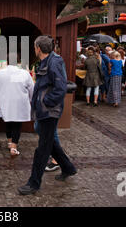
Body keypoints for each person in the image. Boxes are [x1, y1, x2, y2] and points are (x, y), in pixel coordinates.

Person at [18, 36, 76, 196]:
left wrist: (46, 101)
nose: (34, 49)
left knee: (43, 148)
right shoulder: (47, 61)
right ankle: (68, 168)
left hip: (49, 111)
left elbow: (60, 87)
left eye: (34, 47)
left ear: (38, 48)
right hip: (44, 110)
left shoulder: (55, 61)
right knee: (49, 143)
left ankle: (33, 183)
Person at [0, 53, 34, 156]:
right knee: (17, 124)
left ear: (7, 61)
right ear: (18, 61)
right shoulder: (24, 73)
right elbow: (32, 88)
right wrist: (31, 100)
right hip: (20, 101)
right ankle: (13, 147)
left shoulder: (0, 73)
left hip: (5, 101)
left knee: (8, 121)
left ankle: (10, 143)